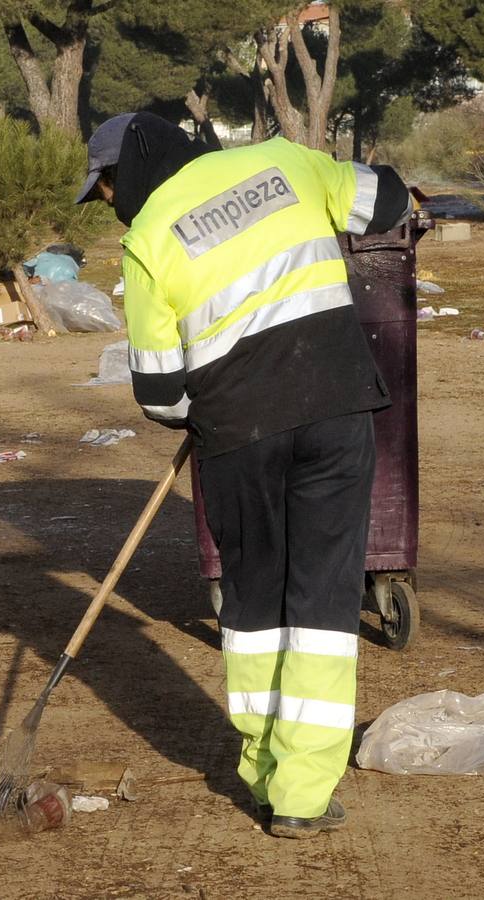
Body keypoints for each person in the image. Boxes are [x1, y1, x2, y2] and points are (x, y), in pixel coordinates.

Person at [76, 113, 412, 839]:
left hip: (235, 438)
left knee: (255, 605)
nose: (109, 203)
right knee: (322, 602)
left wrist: (205, 411)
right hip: (332, 408)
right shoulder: (285, 163)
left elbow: (161, 394)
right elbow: (387, 202)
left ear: (129, 169)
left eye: (104, 187)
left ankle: (263, 773)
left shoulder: (148, 238)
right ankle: (301, 793)